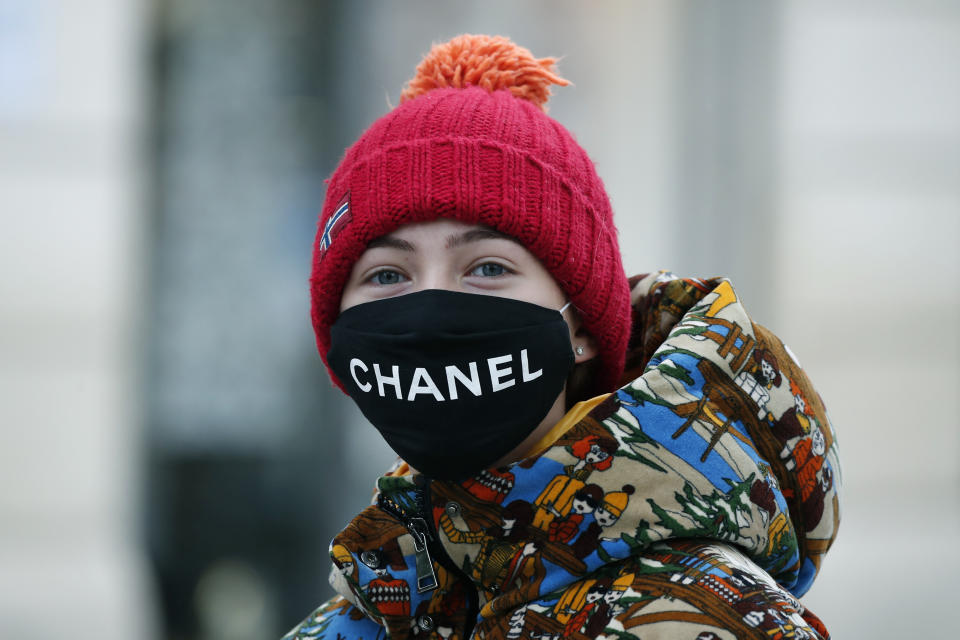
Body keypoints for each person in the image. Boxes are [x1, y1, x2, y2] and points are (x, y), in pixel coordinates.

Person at [285, 35, 840, 640]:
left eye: (487, 268)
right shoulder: (361, 616)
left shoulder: (710, 620)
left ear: (581, 326)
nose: (428, 310)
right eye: (387, 275)